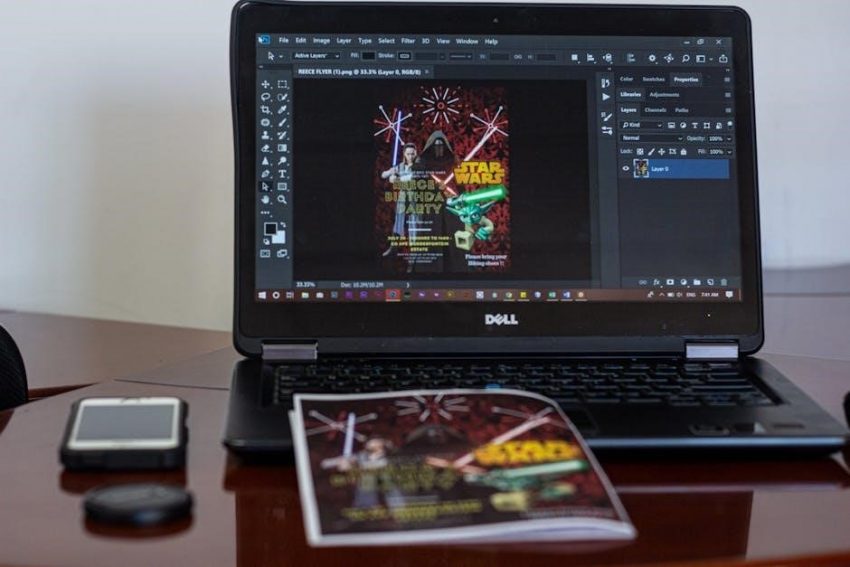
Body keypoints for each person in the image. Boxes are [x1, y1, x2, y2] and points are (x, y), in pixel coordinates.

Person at [381, 143, 419, 255]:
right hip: (402, 199)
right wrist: (390, 174)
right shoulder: (400, 166)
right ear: (404, 154)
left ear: (415, 153)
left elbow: (412, 178)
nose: (410, 156)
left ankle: (415, 253)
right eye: (408, 154)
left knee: (413, 224)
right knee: (398, 223)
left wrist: (397, 180)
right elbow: (383, 175)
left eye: (412, 154)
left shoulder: (418, 166)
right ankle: (394, 248)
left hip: (413, 199)